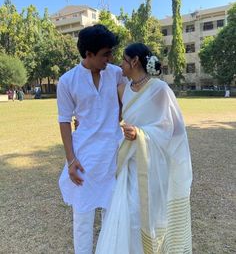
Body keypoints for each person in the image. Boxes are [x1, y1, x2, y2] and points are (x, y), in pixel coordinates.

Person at [95, 43, 193, 254]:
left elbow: (174, 130)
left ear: (134, 61)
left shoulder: (160, 90)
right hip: (129, 165)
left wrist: (141, 134)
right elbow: (111, 117)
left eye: (123, 59)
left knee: (149, 214)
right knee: (128, 214)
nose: (119, 63)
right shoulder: (123, 90)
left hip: (153, 165)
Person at [57, 24, 127, 254]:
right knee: (83, 216)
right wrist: (70, 160)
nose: (111, 57)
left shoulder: (116, 72)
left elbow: (127, 101)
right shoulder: (68, 81)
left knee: (112, 215)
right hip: (84, 156)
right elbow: (64, 120)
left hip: (112, 153)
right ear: (88, 54)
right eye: (105, 53)